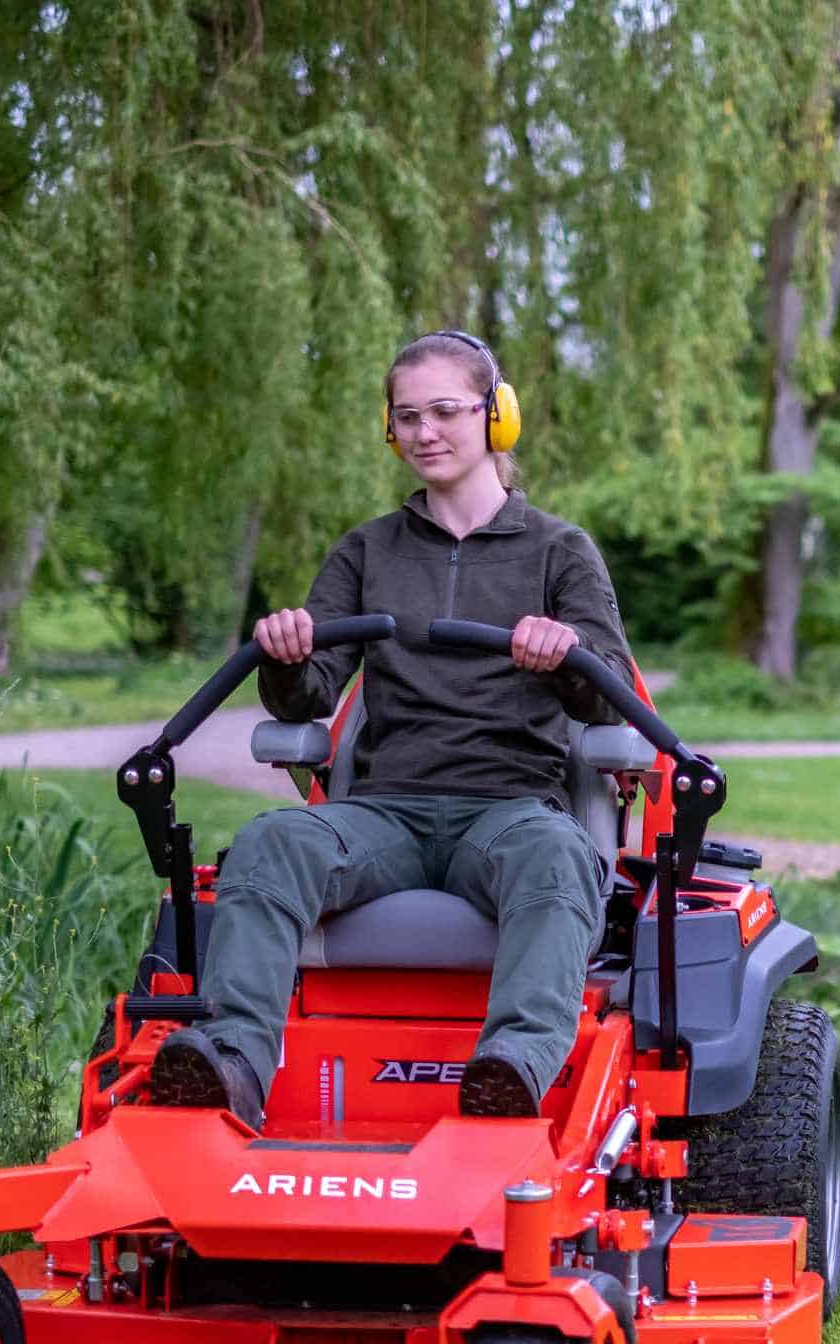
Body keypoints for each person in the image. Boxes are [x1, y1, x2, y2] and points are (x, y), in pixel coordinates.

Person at [146, 330, 635, 1124]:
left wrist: (568, 652)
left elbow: (609, 701)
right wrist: (285, 653)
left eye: (445, 410)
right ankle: (233, 1064)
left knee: (556, 857)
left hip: (511, 811)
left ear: (495, 416)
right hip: (385, 813)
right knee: (272, 842)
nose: (425, 432)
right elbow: (305, 698)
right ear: (390, 429)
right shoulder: (366, 550)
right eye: (407, 416)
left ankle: (512, 1068)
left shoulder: (559, 551)